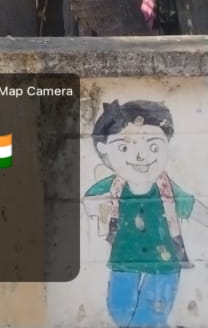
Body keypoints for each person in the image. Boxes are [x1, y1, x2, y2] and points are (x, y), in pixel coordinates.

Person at [84, 100, 208, 327]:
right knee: (119, 311)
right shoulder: (111, 187)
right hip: (123, 260)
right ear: (104, 149)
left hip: (163, 264)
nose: (141, 157)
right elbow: (88, 202)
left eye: (153, 147)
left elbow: (192, 207)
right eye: (124, 148)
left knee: (149, 318)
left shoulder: (167, 190)